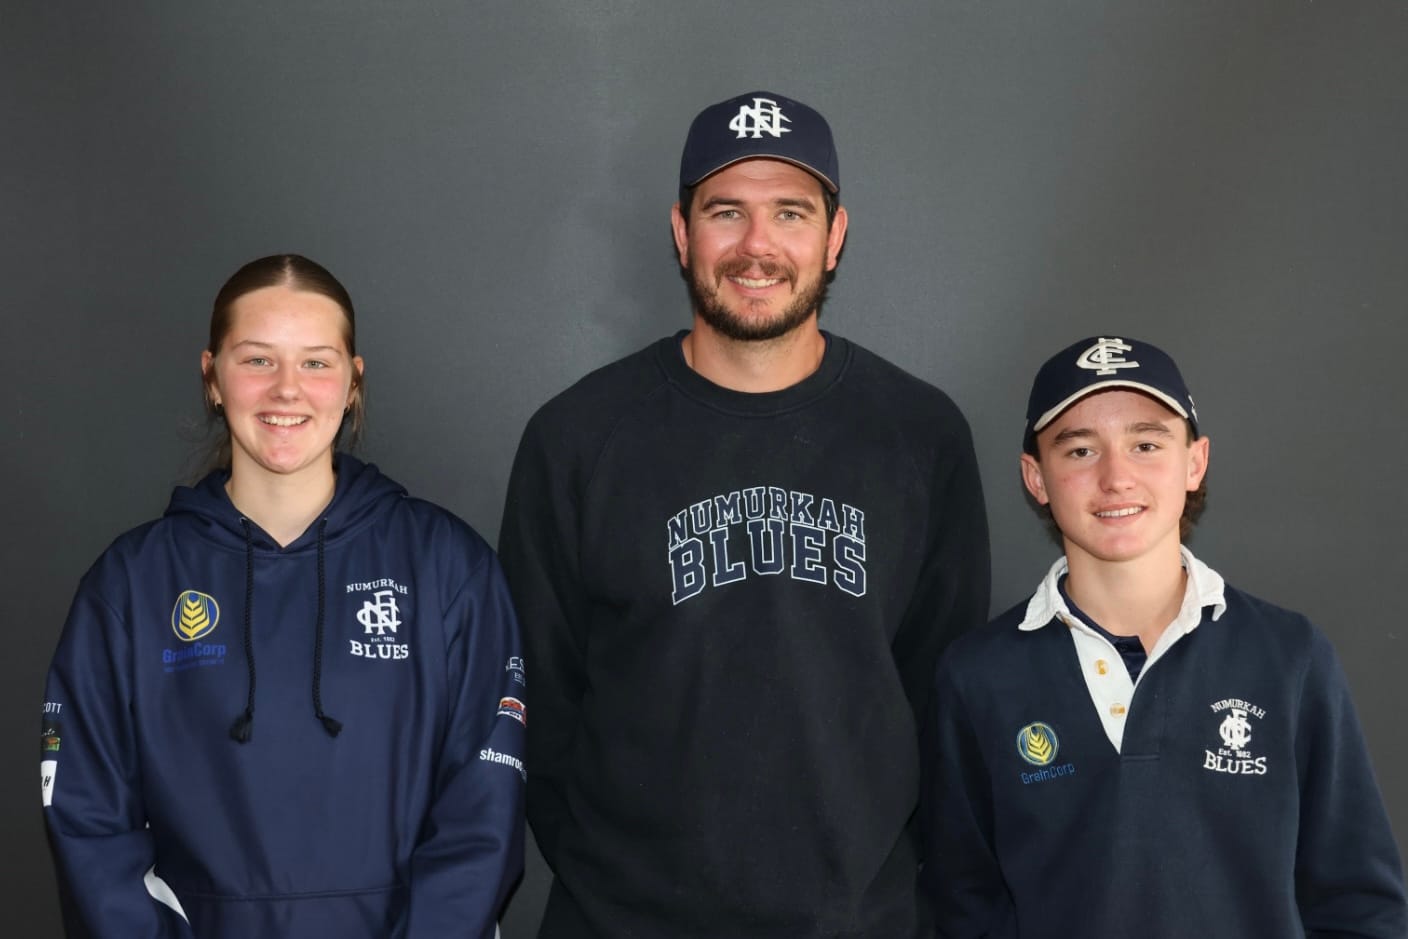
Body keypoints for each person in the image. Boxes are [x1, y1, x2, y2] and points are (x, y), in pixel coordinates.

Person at [499, 91, 990, 937]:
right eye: (726, 211)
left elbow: (939, 691)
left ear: (834, 237)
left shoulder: (919, 435)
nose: (757, 246)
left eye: (790, 212)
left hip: (856, 920)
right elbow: (539, 706)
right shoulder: (576, 438)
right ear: (683, 232)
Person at [41, 254, 526, 938]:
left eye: (317, 362)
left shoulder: (448, 568)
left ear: (354, 382)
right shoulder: (130, 585)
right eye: (258, 360)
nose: (288, 391)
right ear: (212, 378)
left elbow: (482, 816)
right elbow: (89, 824)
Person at [922, 335, 1408, 937]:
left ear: (1194, 463)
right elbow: (963, 906)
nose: (1116, 477)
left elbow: (1359, 902)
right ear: (1036, 477)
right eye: (1078, 451)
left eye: (1146, 444)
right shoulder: (978, 676)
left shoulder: (1289, 658)